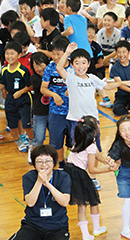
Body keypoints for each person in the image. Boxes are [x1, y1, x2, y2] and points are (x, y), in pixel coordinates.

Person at [64, 118, 116, 239]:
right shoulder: (90, 146)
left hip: (70, 171)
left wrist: (107, 162)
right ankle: (88, 233)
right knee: (87, 202)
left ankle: (92, 230)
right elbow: (92, 170)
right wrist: (108, 170)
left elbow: (97, 155)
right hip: (78, 174)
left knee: (88, 202)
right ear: (93, 132)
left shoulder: (79, 141)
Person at [9, 145, 71, 240]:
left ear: (54, 162)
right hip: (33, 225)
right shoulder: (28, 177)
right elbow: (30, 202)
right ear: (34, 163)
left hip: (57, 227)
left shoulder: (63, 176)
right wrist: (39, 181)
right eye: (39, 161)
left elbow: (64, 202)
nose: (44, 164)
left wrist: (48, 184)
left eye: (47, 161)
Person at [0, 41, 34, 153]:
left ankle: (31, 143)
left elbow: (30, 86)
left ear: (19, 55)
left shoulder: (23, 70)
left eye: (12, 53)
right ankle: (19, 143)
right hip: (10, 100)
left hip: (24, 100)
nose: (9, 56)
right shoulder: (4, 70)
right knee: (12, 126)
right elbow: (2, 84)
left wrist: (21, 92)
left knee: (27, 125)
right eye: (7, 53)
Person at [40, 35, 73, 169]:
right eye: (52, 54)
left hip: (73, 113)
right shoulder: (50, 68)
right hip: (55, 113)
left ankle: (71, 163)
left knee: (73, 142)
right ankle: (61, 164)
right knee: (56, 142)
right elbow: (43, 88)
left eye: (58, 54)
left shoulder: (74, 68)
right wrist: (54, 95)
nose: (55, 57)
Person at [30, 52, 50, 149]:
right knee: (39, 139)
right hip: (40, 113)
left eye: (41, 64)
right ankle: (34, 152)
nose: (39, 68)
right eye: (36, 66)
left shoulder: (54, 76)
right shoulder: (35, 78)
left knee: (55, 138)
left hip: (53, 113)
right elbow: (45, 87)